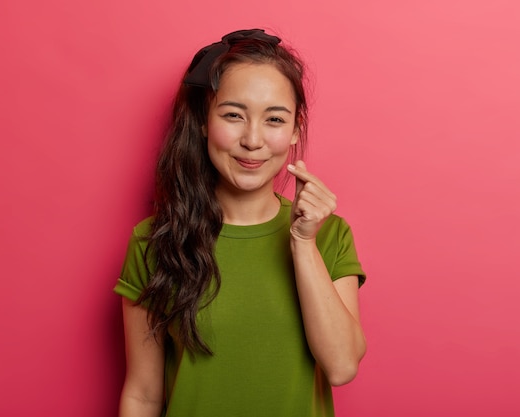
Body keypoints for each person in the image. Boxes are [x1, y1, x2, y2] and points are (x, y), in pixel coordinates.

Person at [114, 28, 367, 417]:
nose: (252, 139)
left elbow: (342, 366)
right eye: (233, 115)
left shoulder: (330, 235)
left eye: (274, 119)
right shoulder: (153, 241)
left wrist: (302, 243)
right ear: (203, 121)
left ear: (295, 128)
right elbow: (144, 395)